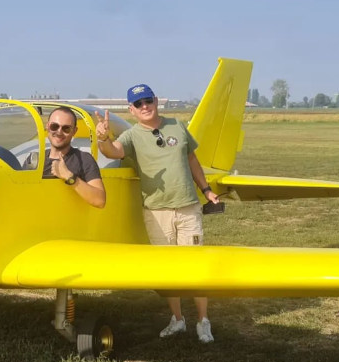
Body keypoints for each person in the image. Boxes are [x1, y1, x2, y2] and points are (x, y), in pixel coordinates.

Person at [96, 84, 220, 343]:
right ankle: (177, 320)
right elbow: (113, 152)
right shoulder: (132, 136)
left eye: (147, 100)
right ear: (131, 110)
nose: (144, 107)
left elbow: (192, 160)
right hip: (156, 212)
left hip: (187, 207)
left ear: (155, 101)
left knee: (194, 267)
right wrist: (102, 138)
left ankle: (203, 321)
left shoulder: (177, 125)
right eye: (138, 104)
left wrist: (206, 190)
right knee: (167, 270)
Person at [30, 106, 106, 208]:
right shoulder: (35, 159)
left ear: (74, 131)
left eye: (66, 128)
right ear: (47, 127)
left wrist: (69, 177)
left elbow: (100, 200)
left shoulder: (84, 160)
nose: (59, 132)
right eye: (54, 126)